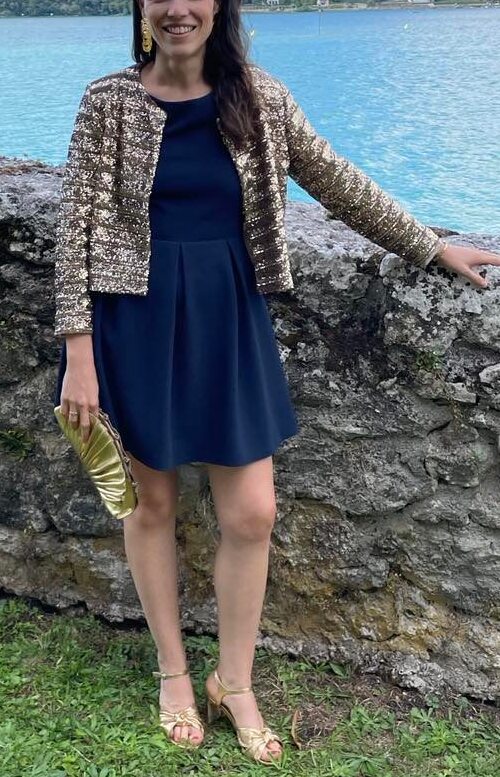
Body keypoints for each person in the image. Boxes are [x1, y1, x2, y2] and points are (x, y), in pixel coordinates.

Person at [52, 0, 500, 765]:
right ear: (142, 7)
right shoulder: (108, 102)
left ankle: (234, 679)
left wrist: (430, 246)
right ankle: (173, 672)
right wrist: (79, 355)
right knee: (150, 501)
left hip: (230, 317)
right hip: (136, 319)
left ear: (218, 6)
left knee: (253, 511)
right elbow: (76, 231)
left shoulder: (258, 97)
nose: (178, 8)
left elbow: (335, 180)